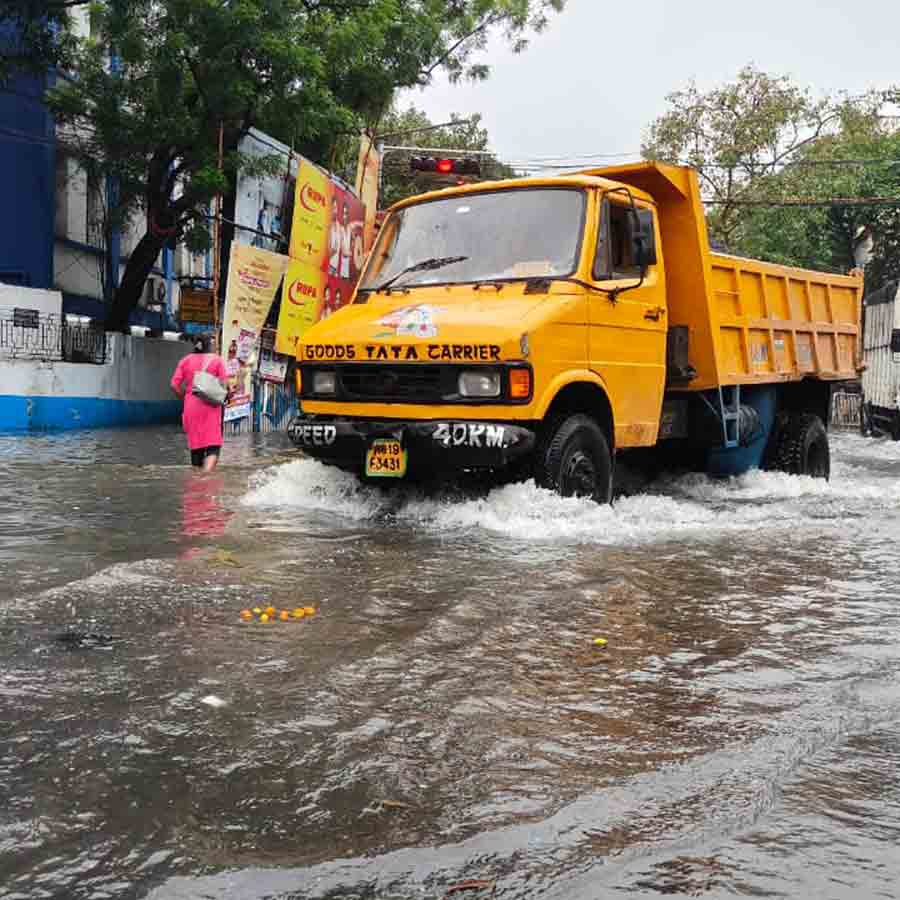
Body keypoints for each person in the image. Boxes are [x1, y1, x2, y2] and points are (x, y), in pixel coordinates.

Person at [170, 335, 227, 471]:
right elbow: (223, 386)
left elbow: (174, 385)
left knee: (196, 449)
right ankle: (205, 476)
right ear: (209, 345)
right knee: (213, 447)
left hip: (191, 407)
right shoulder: (217, 361)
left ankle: (196, 481)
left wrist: (184, 398)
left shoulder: (185, 361)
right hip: (211, 407)